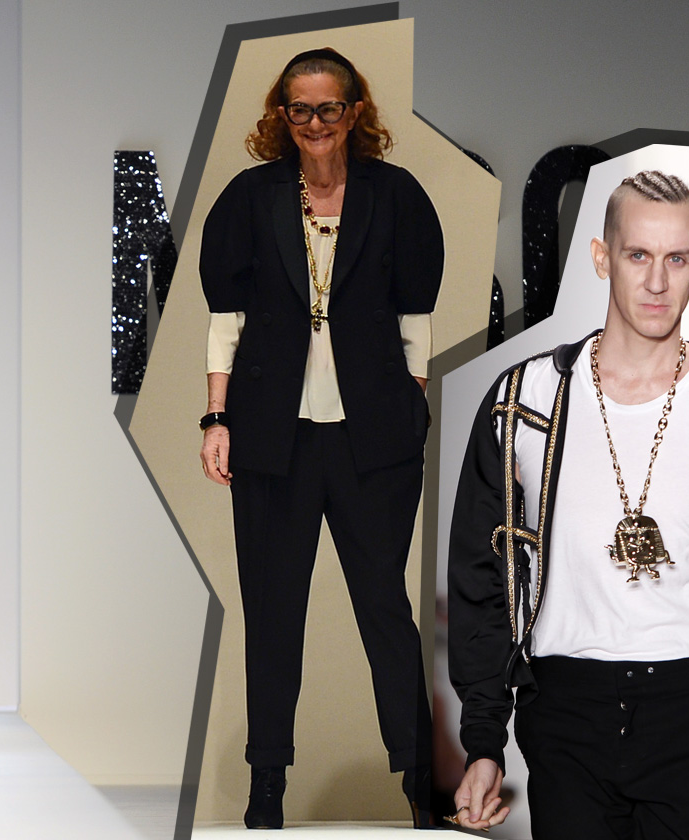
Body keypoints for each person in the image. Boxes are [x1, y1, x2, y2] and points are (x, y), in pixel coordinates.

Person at [447, 170, 689, 839]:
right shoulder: (524, 403)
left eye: (676, 259)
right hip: (568, 714)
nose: (656, 281)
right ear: (601, 257)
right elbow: (481, 576)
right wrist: (483, 742)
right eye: (638, 254)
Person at [198, 48, 444, 828]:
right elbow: (227, 317)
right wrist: (216, 418)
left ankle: (423, 785)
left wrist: (407, 400)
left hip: (374, 440)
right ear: (281, 114)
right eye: (299, 109)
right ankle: (267, 786)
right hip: (273, 437)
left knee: (385, 610)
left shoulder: (395, 195)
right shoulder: (251, 197)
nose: (314, 122)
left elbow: (415, 311)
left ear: (354, 110)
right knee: (273, 613)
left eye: (328, 107)